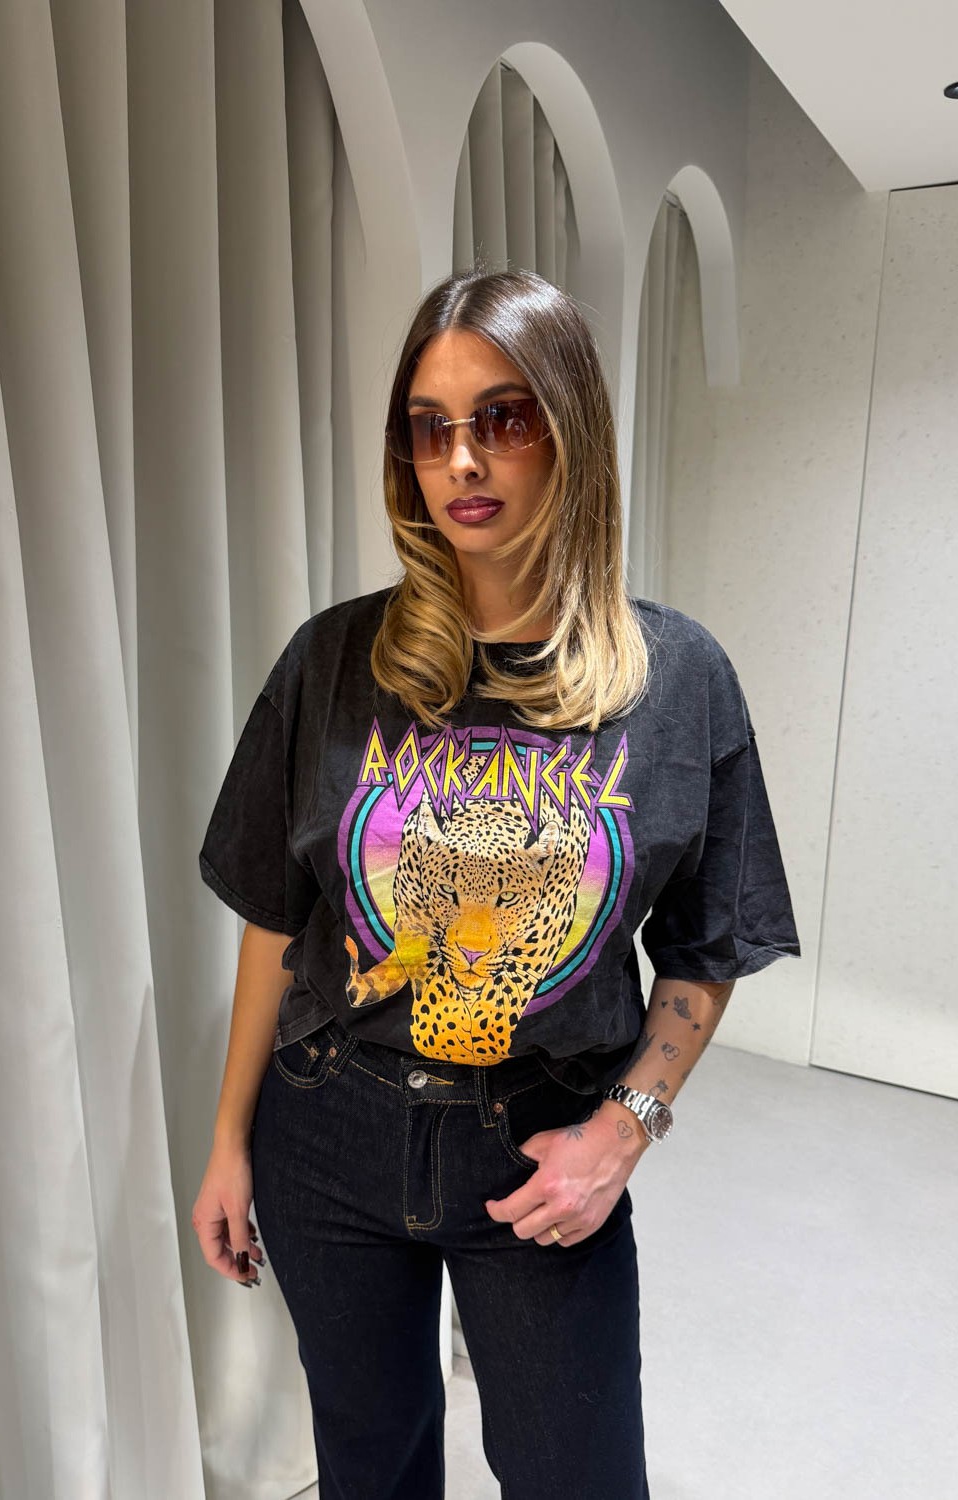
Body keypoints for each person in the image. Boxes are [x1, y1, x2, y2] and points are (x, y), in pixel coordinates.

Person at [191, 267, 800, 1499]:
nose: (462, 459)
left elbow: (705, 947)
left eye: (503, 417)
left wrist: (622, 1134)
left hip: (540, 1137)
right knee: (370, 1468)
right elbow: (274, 918)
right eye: (431, 427)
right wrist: (227, 1143)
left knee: (580, 1474)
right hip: (328, 1127)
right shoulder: (334, 658)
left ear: (571, 431)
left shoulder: (676, 679)